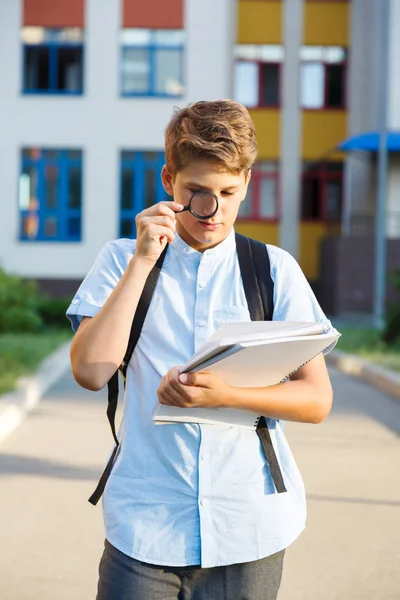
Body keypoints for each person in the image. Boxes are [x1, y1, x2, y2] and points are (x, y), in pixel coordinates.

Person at [66, 100, 337, 600]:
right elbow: (89, 370)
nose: (212, 210)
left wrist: (226, 395)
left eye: (228, 193)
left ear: (248, 183)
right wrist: (143, 262)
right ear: (169, 179)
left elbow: (316, 400)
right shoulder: (120, 260)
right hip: (145, 527)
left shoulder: (273, 270)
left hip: (249, 526)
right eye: (196, 192)